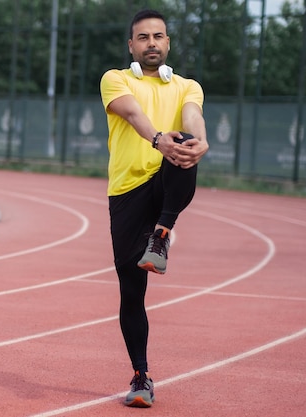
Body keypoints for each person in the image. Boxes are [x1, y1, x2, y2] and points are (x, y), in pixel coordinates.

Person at [99, 9, 209, 408]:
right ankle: (141, 376)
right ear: (132, 45)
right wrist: (157, 138)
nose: (151, 43)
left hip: (165, 185)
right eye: (142, 37)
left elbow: (194, 116)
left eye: (158, 36)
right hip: (126, 191)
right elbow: (132, 113)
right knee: (132, 290)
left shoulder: (186, 86)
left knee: (185, 141)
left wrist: (201, 140)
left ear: (168, 43)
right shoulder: (116, 79)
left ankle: (162, 234)